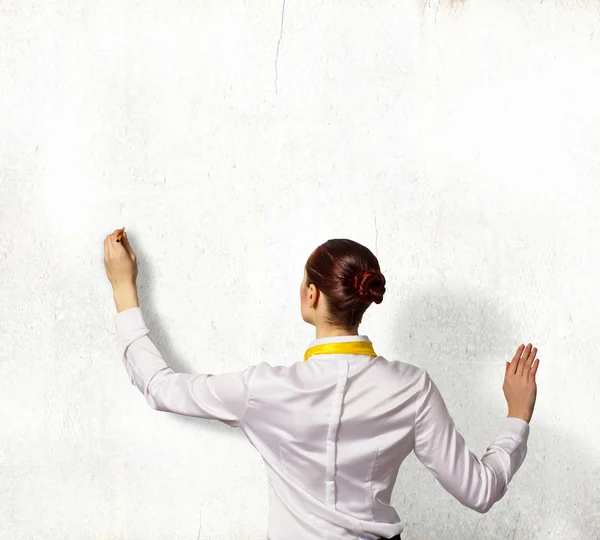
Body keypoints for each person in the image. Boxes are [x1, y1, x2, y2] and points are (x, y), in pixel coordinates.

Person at [109, 233, 539, 540]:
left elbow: (160, 387)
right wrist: (517, 418)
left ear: (312, 295)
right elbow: (480, 491)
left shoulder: (263, 389)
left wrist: (123, 287)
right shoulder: (412, 388)